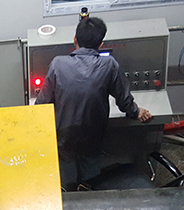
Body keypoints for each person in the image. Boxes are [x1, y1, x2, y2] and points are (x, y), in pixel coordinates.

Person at [35, 17, 153, 190]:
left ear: (75, 39)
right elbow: (123, 100)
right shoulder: (109, 65)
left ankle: (70, 193)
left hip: (65, 136)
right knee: (91, 170)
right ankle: (90, 192)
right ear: (101, 44)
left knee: (66, 170)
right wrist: (136, 112)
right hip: (93, 135)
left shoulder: (57, 64)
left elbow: (42, 103)